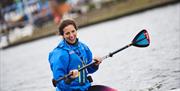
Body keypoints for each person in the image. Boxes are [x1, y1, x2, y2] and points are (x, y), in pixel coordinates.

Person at [48, 19, 102, 91]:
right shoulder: (59, 54)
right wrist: (70, 78)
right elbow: (59, 83)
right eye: (67, 33)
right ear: (63, 35)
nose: (71, 35)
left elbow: (89, 69)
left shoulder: (83, 47)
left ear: (76, 30)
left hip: (85, 88)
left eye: (73, 31)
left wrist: (95, 64)